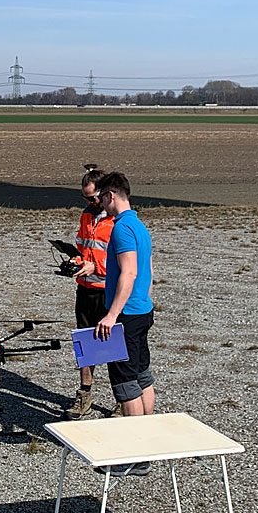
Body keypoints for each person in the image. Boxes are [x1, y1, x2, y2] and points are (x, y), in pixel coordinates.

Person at [93, 171, 155, 473]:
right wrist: (144, 301)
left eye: (101, 197)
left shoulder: (121, 229)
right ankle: (146, 444)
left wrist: (111, 315)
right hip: (142, 311)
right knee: (143, 377)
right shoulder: (140, 226)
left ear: (112, 196)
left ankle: (135, 457)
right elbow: (148, 272)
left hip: (127, 317)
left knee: (126, 383)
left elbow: (129, 272)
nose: (99, 202)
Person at [64, 164, 114, 419]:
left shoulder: (118, 219)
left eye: (92, 197)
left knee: (115, 344)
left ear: (105, 193)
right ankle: (85, 394)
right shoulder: (86, 215)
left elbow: (122, 258)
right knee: (85, 343)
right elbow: (83, 245)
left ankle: (122, 398)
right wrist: (77, 260)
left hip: (108, 291)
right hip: (85, 289)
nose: (89, 202)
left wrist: (96, 265)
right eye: (85, 198)